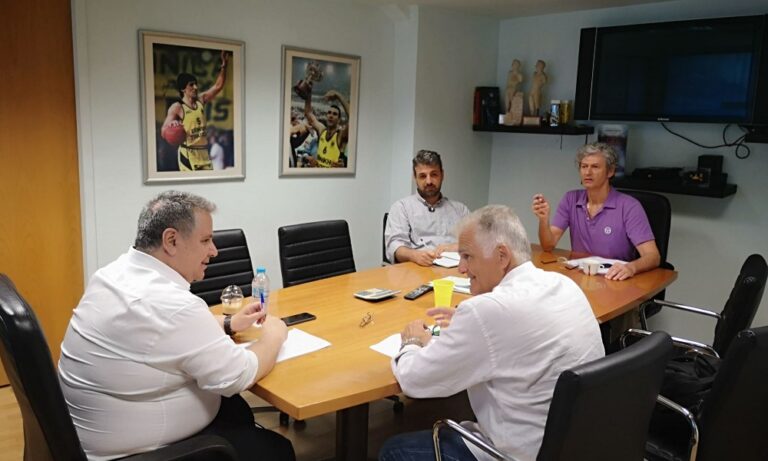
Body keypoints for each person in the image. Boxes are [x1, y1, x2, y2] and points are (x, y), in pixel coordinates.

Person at [58, 191, 295, 461]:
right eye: (205, 240)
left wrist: (229, 323)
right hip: (136, 455)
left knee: (236, 411)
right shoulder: (172, 305)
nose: (214, 251)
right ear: (171, 240)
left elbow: (160, 330)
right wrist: (275, 334)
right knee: (277, 450)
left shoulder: (113, 275)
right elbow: (237, 376)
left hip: (93, 436)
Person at [379, 205, 605, 461]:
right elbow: (513, 329)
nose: (461, 268)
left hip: (519, 454)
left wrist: (412, 342)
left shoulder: (488, 311)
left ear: (502, 256)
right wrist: (469, 324)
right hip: (579, 444)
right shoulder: (564, 284)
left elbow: (415, 380)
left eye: (467, 256)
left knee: (393, 450)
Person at [532, 142, 661, 281]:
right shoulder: (570, 199)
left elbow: (653, 257)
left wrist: (631, 268)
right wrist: (543, 220)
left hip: (615, 279)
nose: (588, 172)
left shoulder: (629, 206)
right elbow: (548, 245)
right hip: (581, 277)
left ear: (610, 172)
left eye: (595, 167)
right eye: (584, 166)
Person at [384, 150, 470, 266]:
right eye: (423, 176)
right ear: (415, 177)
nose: (429, 181)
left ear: (442, 175)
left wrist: (456, 246)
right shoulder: (402, 208)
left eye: (434, 174)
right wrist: (414, 255)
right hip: (418, 270)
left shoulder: (460, 210)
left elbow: (477, 243)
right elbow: (395, 247)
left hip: (456, 271)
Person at [161, 50, 229, 172]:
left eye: (196, 84)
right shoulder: (177, 107)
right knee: (193, 182)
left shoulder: (201, 100)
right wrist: (171, 125)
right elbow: (163, 131)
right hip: (188, 153)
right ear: (183, 89)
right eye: (191, 85)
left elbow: (218, 86)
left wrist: (224, 65)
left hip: (203, 152)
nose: (196, 87)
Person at [304, 88, 349, 168]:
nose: (331, 115)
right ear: (326, 116)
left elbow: (353, 118)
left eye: (334, 114)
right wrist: (309, 91)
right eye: (329, 113)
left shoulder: (340, 135)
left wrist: (338, 96)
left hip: (332, 175)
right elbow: (308, 113)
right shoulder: (322, 130)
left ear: (339, 119)